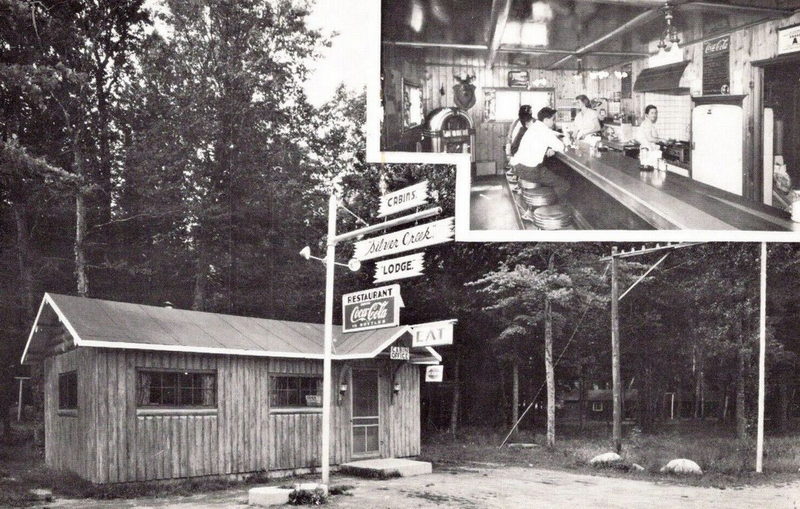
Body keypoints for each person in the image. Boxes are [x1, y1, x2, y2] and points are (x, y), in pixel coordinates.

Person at [510, 106, 570, 208]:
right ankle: (558, 210)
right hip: (529, 170)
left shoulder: (535, 126)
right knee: (563, 184)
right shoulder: (544, 130)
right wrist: (556, 146)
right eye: (553, 119)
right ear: (546, 120)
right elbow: (561, 146)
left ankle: (541, 207)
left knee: (549, 173)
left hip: (518, 167)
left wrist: (552, 147)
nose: (554, 122)